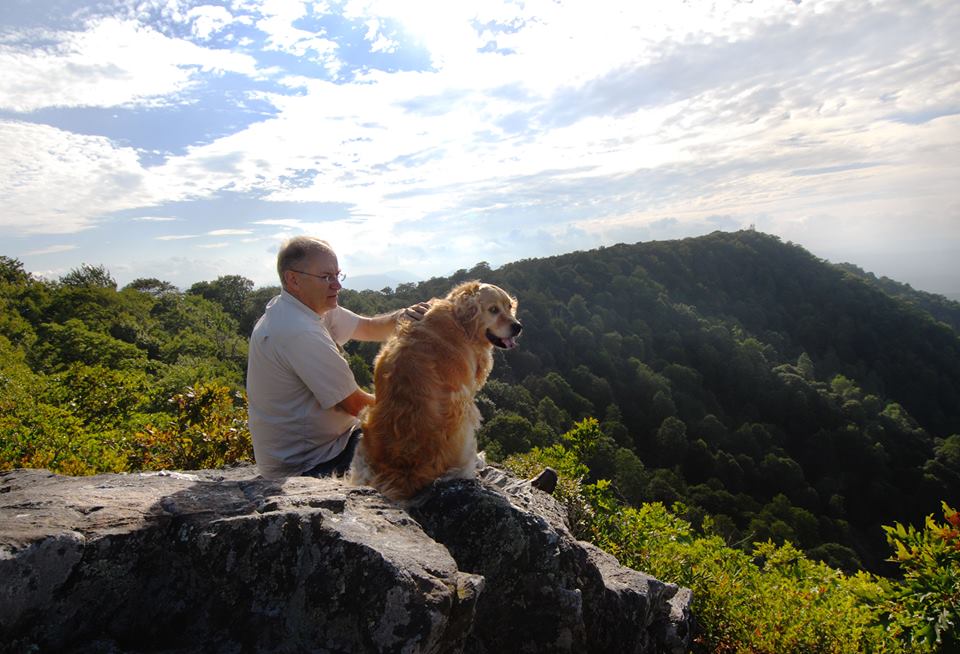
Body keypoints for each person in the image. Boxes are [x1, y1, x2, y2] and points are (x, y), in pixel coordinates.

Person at [246, 236, 429, 478]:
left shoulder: (305, 308)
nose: (337, 285)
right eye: (326, 277)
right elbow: (355, 405)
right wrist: (421, 412)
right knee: (425, 448)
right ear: (293, 279)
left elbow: (368, 327)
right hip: (312, 462)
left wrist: (403, 318)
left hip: (330, 445)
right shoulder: (298, 330)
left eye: (337, 275)